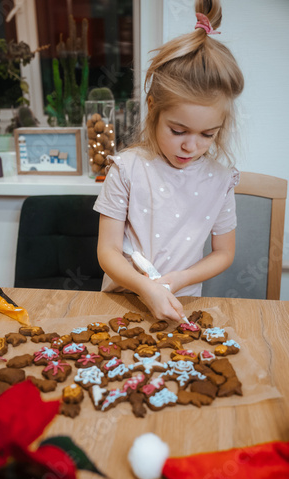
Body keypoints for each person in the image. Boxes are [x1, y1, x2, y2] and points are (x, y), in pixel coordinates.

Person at [94, 0, 244, 322]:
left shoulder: (220, 180)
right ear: (153, 108)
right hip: (123, 302)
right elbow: (107, 252)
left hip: (181, 303)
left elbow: (224, 252)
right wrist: (145, 288)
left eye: (208, 134)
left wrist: (180, 279)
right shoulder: (126, 168)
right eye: (178, 130)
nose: (191, 146)